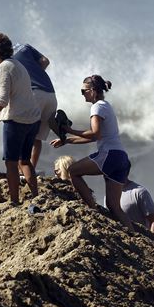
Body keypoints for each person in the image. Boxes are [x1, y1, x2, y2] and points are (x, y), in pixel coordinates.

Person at [50, 75, 134, 231]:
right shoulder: (106, 105)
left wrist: (68, 129)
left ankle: (92, 210)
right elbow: (97, 137)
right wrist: (67, 140)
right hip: (121, 157)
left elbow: (94, 133)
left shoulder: (97, 107)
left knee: (72, 171)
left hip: (110, 155)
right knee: (114, 206)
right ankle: (133, 236)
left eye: (84, 91)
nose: (82, 94)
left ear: (93, 90)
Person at [0, 28, 57, 168]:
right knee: (35, 137)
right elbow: (45, 61)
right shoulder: (23, 46)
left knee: (20, 138)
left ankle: (23, 174)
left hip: (31, 95)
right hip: (50, 93)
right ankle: (30, 171)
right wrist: (28, 76)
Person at [0, 30, 41, 205]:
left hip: (17, 121)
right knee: (25, 160)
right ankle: (36, 195)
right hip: (33, 119)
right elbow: (16, 98)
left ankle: (14, 201)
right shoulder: (16, 64)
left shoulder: (4, 67)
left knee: (11, 163)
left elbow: (3, 100)